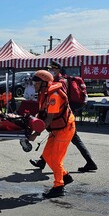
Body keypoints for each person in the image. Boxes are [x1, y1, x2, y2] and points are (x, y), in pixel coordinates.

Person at [30, 61, 98, 173]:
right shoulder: (55, 81)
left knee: (71, 138)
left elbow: (61, 99)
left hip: (65, 115)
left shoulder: (61, 81)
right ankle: (43, 161)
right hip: (63, 115)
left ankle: (88, 163)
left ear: (58, 70)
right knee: (59, 136)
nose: (50, 71)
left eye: (52, 69)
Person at [29, 70, 76, 198]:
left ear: (44, 83)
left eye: (36, 82)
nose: (34, 85)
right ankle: (65, 176)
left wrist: (35, 134)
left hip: (65, 128)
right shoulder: (44, 94)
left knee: (55, 159)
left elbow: (49, 120)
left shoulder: (54, 95)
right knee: (47, 156)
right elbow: (41, 114)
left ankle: (58, 186)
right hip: (57, 128)